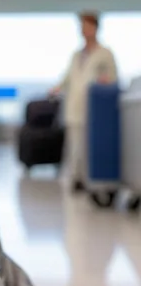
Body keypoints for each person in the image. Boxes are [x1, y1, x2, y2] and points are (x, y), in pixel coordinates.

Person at [50, 12, 118, 193]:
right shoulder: (76, 55)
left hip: (95, 108)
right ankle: (76, 179)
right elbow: (68, 77)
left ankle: (90, 180)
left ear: (96, 28)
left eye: (88, 26)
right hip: (74, 106)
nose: (84, 30)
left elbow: (113, 77)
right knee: (74, 146)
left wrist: (106, 80)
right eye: (82, 26)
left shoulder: (105, 53)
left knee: (90, 147)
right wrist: (56, 88)